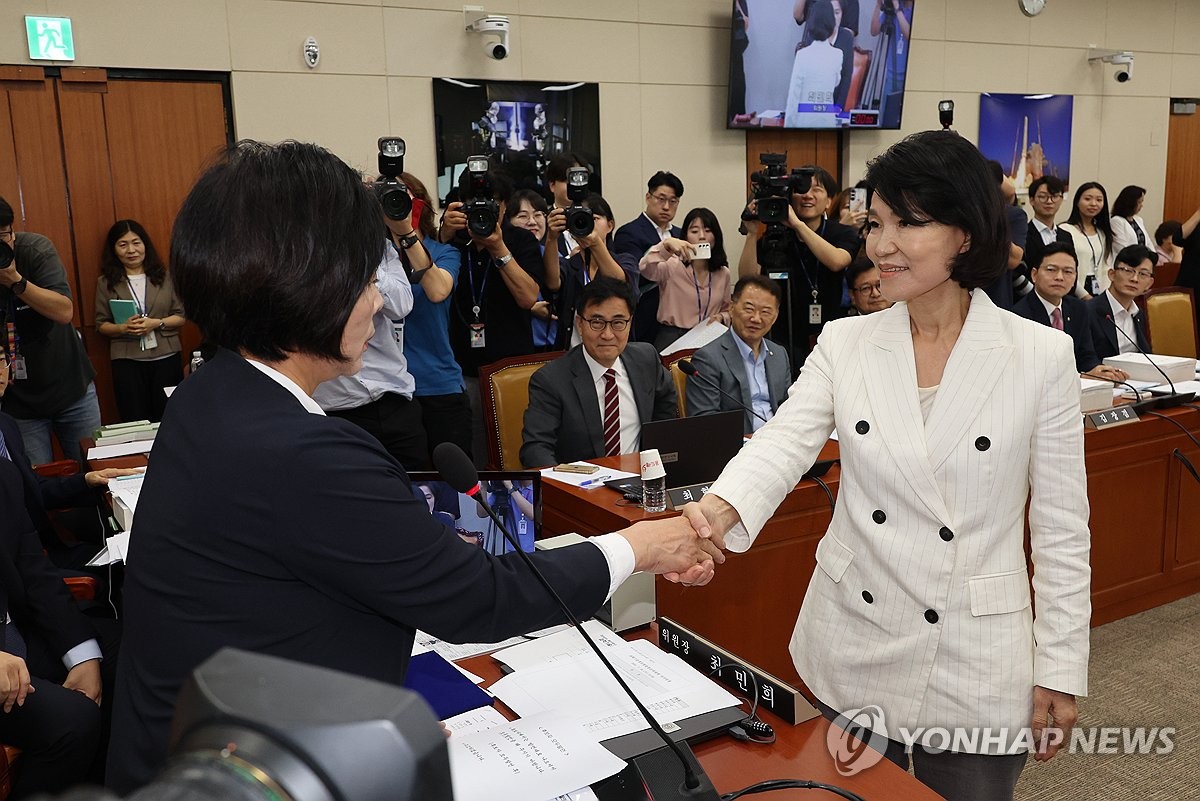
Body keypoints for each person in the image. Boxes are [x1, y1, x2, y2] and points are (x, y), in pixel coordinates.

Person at [105, 141, 720, 794]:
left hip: (216, 748)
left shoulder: (212, 392)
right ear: (310, 283)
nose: (378, 300)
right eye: (367, 276)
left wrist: (373, 712)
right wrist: (641, 543)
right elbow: (477, 596)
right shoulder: (304, 454)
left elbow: (273, 609)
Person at [683, 130, 1090, 801]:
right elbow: (785, 442)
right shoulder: (846, 341)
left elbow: (1062, 529)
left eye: (910, 223)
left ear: (965, 234)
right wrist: (713, 516)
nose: (880, 244)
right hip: (856, 642)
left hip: (974, 659)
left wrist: (1061, 665)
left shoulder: (1039, 355)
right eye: (876, 222)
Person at [0, 407, 107, 798]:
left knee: (116, 653)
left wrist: (83, 657)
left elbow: (36, 574)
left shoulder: (4, 474)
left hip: (14, 635)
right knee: (73, 721)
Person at [313, 186, 426, 470]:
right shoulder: (309, 256)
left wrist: (365, 264)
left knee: (422, 494)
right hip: (338, 409)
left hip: (394, 398)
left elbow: (401, 305)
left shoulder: (380, 247)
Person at [441, 165, 546, 467]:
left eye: (494, 203)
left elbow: (528, 297)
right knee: (472, 454)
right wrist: (443, 234)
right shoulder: (453, 242)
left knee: (516, 451)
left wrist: (497, 246)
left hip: (510, 366)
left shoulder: (520, 240)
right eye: (475, 204)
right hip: (463, 369)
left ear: (503, 206)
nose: (485, 210)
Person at [520, 277, 677, 468]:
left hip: (642, 483)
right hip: (582, 488)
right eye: (597, 322)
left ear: (630, 323)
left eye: (618, 323)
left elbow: (666, 418)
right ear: (580, 323)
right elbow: (536, 450)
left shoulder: (646, 360)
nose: (608, 335)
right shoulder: (550, 380)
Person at [0, 198, 101, 466]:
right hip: (19, 402)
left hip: (71, 388)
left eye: (4, 235)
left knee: (91, 470)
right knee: (38, 482)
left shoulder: (34, 249)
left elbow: (64, 312)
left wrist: (15, 281)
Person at [738, 164, 859, 366]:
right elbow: (748, 278)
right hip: (783, 335)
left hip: (830, 331)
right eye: (801, 191)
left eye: (816, 190)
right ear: (790, 199)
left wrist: (797, 225)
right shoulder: (776, 236)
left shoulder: (842, 232)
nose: (807, 196)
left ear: (829, 201)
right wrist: (752, 233)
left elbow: (837, 261)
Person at [397, 172, 471, 464]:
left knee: (456, 492)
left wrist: (405, 234)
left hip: (438, 385)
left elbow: (437, 290)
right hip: (390, 393)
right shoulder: (372, 258)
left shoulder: (444, 252)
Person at [93, 221, 186, 423]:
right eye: (123, 244)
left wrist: (157, 323)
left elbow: (181, 315)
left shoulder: (166, 277)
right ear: (114, 249)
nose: (131, 250)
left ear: (145, 245)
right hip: (127, 360)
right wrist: (122, 328)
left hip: (166, 357)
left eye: (136, 242)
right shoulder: (106, 282)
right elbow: (101, 324)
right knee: (134, 420)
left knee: (170, 418)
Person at [686, 275, 791, 434]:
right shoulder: (708, 358)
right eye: (749, 309)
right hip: (738, 447)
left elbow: (789, 408)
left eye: (765, 312)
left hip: (779, 442)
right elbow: (705, 421)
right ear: (732, 308)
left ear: (775, 316)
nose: (756, 319)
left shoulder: (779, 354)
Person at [1010, 243, 1126, 381]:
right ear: (1034, 275)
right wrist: (1082, 376)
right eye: (1051, 270)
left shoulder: (1079, 308)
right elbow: (1030, 370)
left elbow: (1086, 355)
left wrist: (1098, 371)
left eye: (1068, 272)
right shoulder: (1018, 315)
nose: (1059, 277)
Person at [545, 193, 638, 349]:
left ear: (610, 225)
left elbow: (620, 285)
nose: (588, 223)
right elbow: (553, 284)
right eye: (581, 218)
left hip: (615, 352)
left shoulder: (625, 260)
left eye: (594, 218)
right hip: (572, 354)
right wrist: (551, 238)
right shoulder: (569, 263)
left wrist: (595, 243)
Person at [637, 207, 733, 351]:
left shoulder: (723, 272)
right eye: (694, 231)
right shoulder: (673, 264)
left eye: (708, 230)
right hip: (672, 337)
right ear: (685, 237)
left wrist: (721, 317)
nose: (702, 236)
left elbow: (728, 309)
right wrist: (665, 246)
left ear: (716, 236)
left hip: (710, 338)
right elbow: (645, 268)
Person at [614, 171, 685, 345]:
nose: (667, 206)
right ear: (648, 197)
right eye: (661, 199)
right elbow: (635, 276)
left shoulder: (681, 234)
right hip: (646, 319)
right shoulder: (629, 233)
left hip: (681, 319)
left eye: (673, 201)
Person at [1086, 244, 1154, 361]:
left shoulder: (1139, 314)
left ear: (1149, 284)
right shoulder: (1088, 311)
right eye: (1128, 271)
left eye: (1143, 274)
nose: (1134, 279)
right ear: (1112, 274)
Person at [783, 0, 843, 129]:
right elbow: (836, 81)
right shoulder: (838, 54)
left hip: (804, 122)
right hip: (828, 121)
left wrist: (788, 127)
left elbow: (794, 95)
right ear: (831, 23)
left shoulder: (802, 55)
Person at [794, 0, 859, 110]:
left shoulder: (843, 44)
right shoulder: (810, 42)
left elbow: (845, 77)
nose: (833, 18)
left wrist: (838, 107)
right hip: (811, 104)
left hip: (835, 101)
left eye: (837, 13)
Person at [1060, 182, 1114, 298]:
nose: (1093, 204)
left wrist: (1105, 295)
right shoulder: (1065, 230)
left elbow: (1105, 266)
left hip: (1098, 289)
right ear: (1077, 202)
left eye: (1099, 200)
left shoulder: (1102, 232)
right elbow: (1065, 267)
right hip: (1073, 290)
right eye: (1087, 199)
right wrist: (1084, 296)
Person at [1023, 176, 1074, 289]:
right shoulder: (1023, 234)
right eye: (1043, 197)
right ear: (1031, 200)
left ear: (1061, 199)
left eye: (1055, 196)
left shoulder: (1066, 236)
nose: (1049, 201)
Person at [1109, 185, 1153, 252]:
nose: (1141, 205)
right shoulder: (1116, 221)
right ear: (1130, 202)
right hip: (1128, 260)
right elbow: (1121, 247)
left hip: (1145, 260)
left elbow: (1148, 243)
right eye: (1139, 202)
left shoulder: (1139, 220)